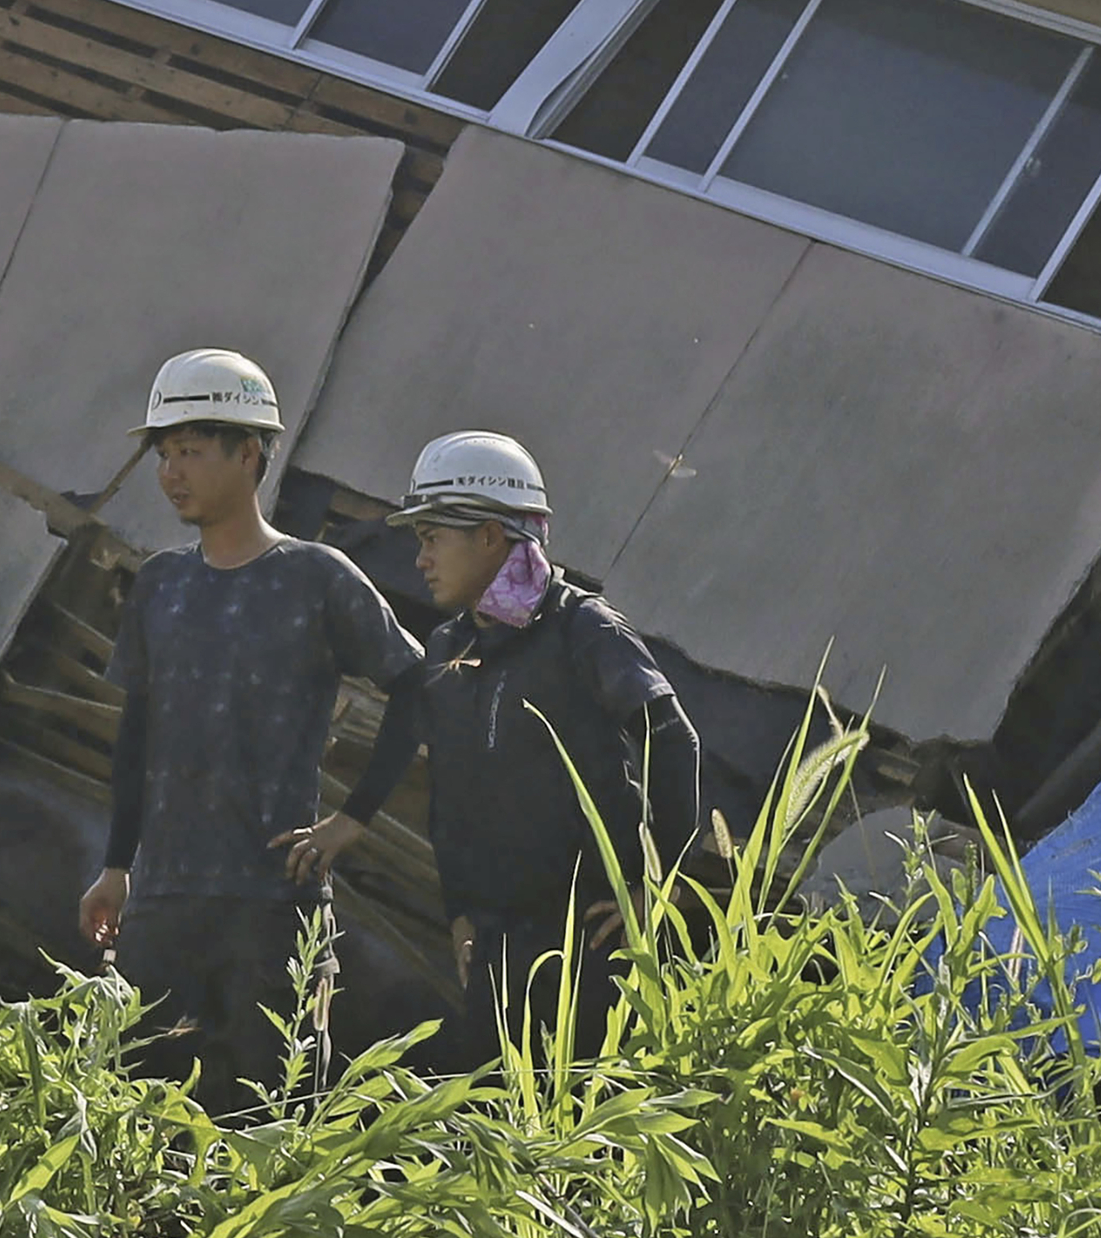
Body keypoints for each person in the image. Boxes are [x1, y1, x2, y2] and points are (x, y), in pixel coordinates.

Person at [281, 432, 706, 1064]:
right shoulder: (452, 648)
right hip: (497, 950)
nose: (419, 558)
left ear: (488, 536)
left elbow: (672, 740)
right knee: (495, 1133)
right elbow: (449, 793)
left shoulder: (581, 630)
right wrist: (459, 911)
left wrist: (655, 882)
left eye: (433, 539)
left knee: (589, 1130)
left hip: (592, 944)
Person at [79, 348, 424, 1105]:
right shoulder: (162, 586)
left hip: (272, 906)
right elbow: (135, 734)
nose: (172, 472)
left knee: (272, 1119)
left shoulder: (318, 578)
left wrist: (350, 821)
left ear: (250, 454)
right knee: (132, 1116)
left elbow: (417, 687)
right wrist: (116, 866)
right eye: (165, 454)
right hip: (164, 899)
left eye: (193, 452)